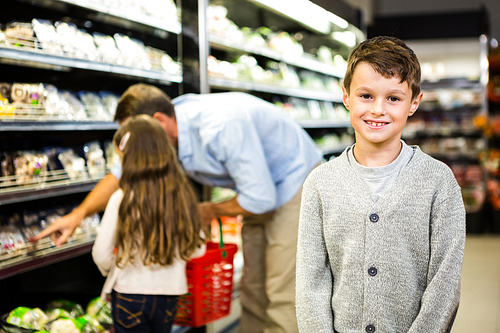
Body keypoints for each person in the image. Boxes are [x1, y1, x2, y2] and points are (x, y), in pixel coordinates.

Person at [33, 85, 322, 333]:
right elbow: (119, 176)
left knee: (282, 290)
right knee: (254, 289)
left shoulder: (219, 126)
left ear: (157, 121)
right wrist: (76, 215)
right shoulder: (156, 135)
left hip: (295, 183)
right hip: (258, 189)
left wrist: (205, 211)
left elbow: (260, 199)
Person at [295, 36, 466, 333]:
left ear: (414, 102)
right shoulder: (320, 183)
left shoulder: (439, 182)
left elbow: (445, 282)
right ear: (346, 96)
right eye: (365, 96)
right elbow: (311, 281)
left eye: (394, 98)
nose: (377, 109)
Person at [92, 115, 206, 333]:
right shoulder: (183, 196)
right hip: (170, 295)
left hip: (129, 294)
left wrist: (112, 268)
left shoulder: (121, 198)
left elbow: (101, 254)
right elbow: (198, 249)